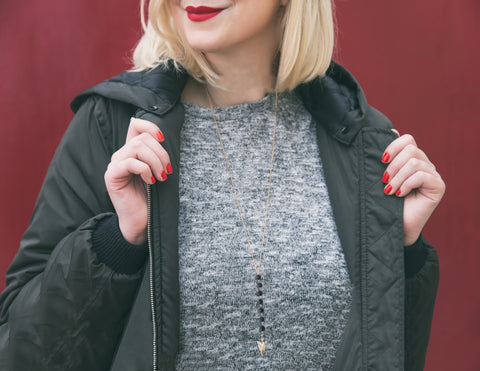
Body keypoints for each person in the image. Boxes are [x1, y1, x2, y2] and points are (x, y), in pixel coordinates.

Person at [0, 0, 445, 370]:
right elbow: (20, 351)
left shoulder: (361, 139)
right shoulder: (113, 126)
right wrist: (117, 240)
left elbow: (386, 354)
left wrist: (397, 251)